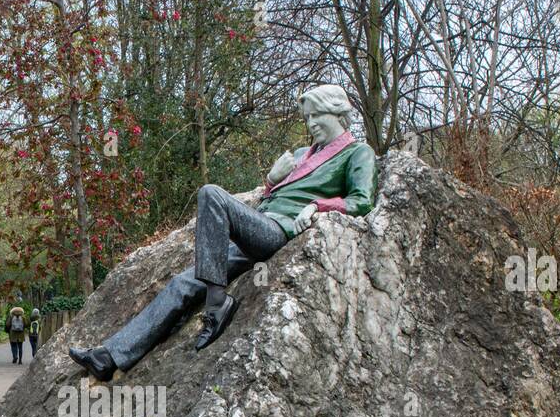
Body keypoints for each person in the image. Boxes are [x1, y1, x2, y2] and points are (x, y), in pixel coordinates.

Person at [68, 83, 377, 381]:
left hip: (278, 232)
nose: (310, 124)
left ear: (336, 113)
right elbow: (271, 195)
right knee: (181, 283)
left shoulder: (356, 152)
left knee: (211, 194)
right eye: (307, 117)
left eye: (316, 116)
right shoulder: (301, 154)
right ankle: (109, 357)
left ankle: (218, 304)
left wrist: (316, 206)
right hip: (258, 225)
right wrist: (272, 178)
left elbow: (361, 202)